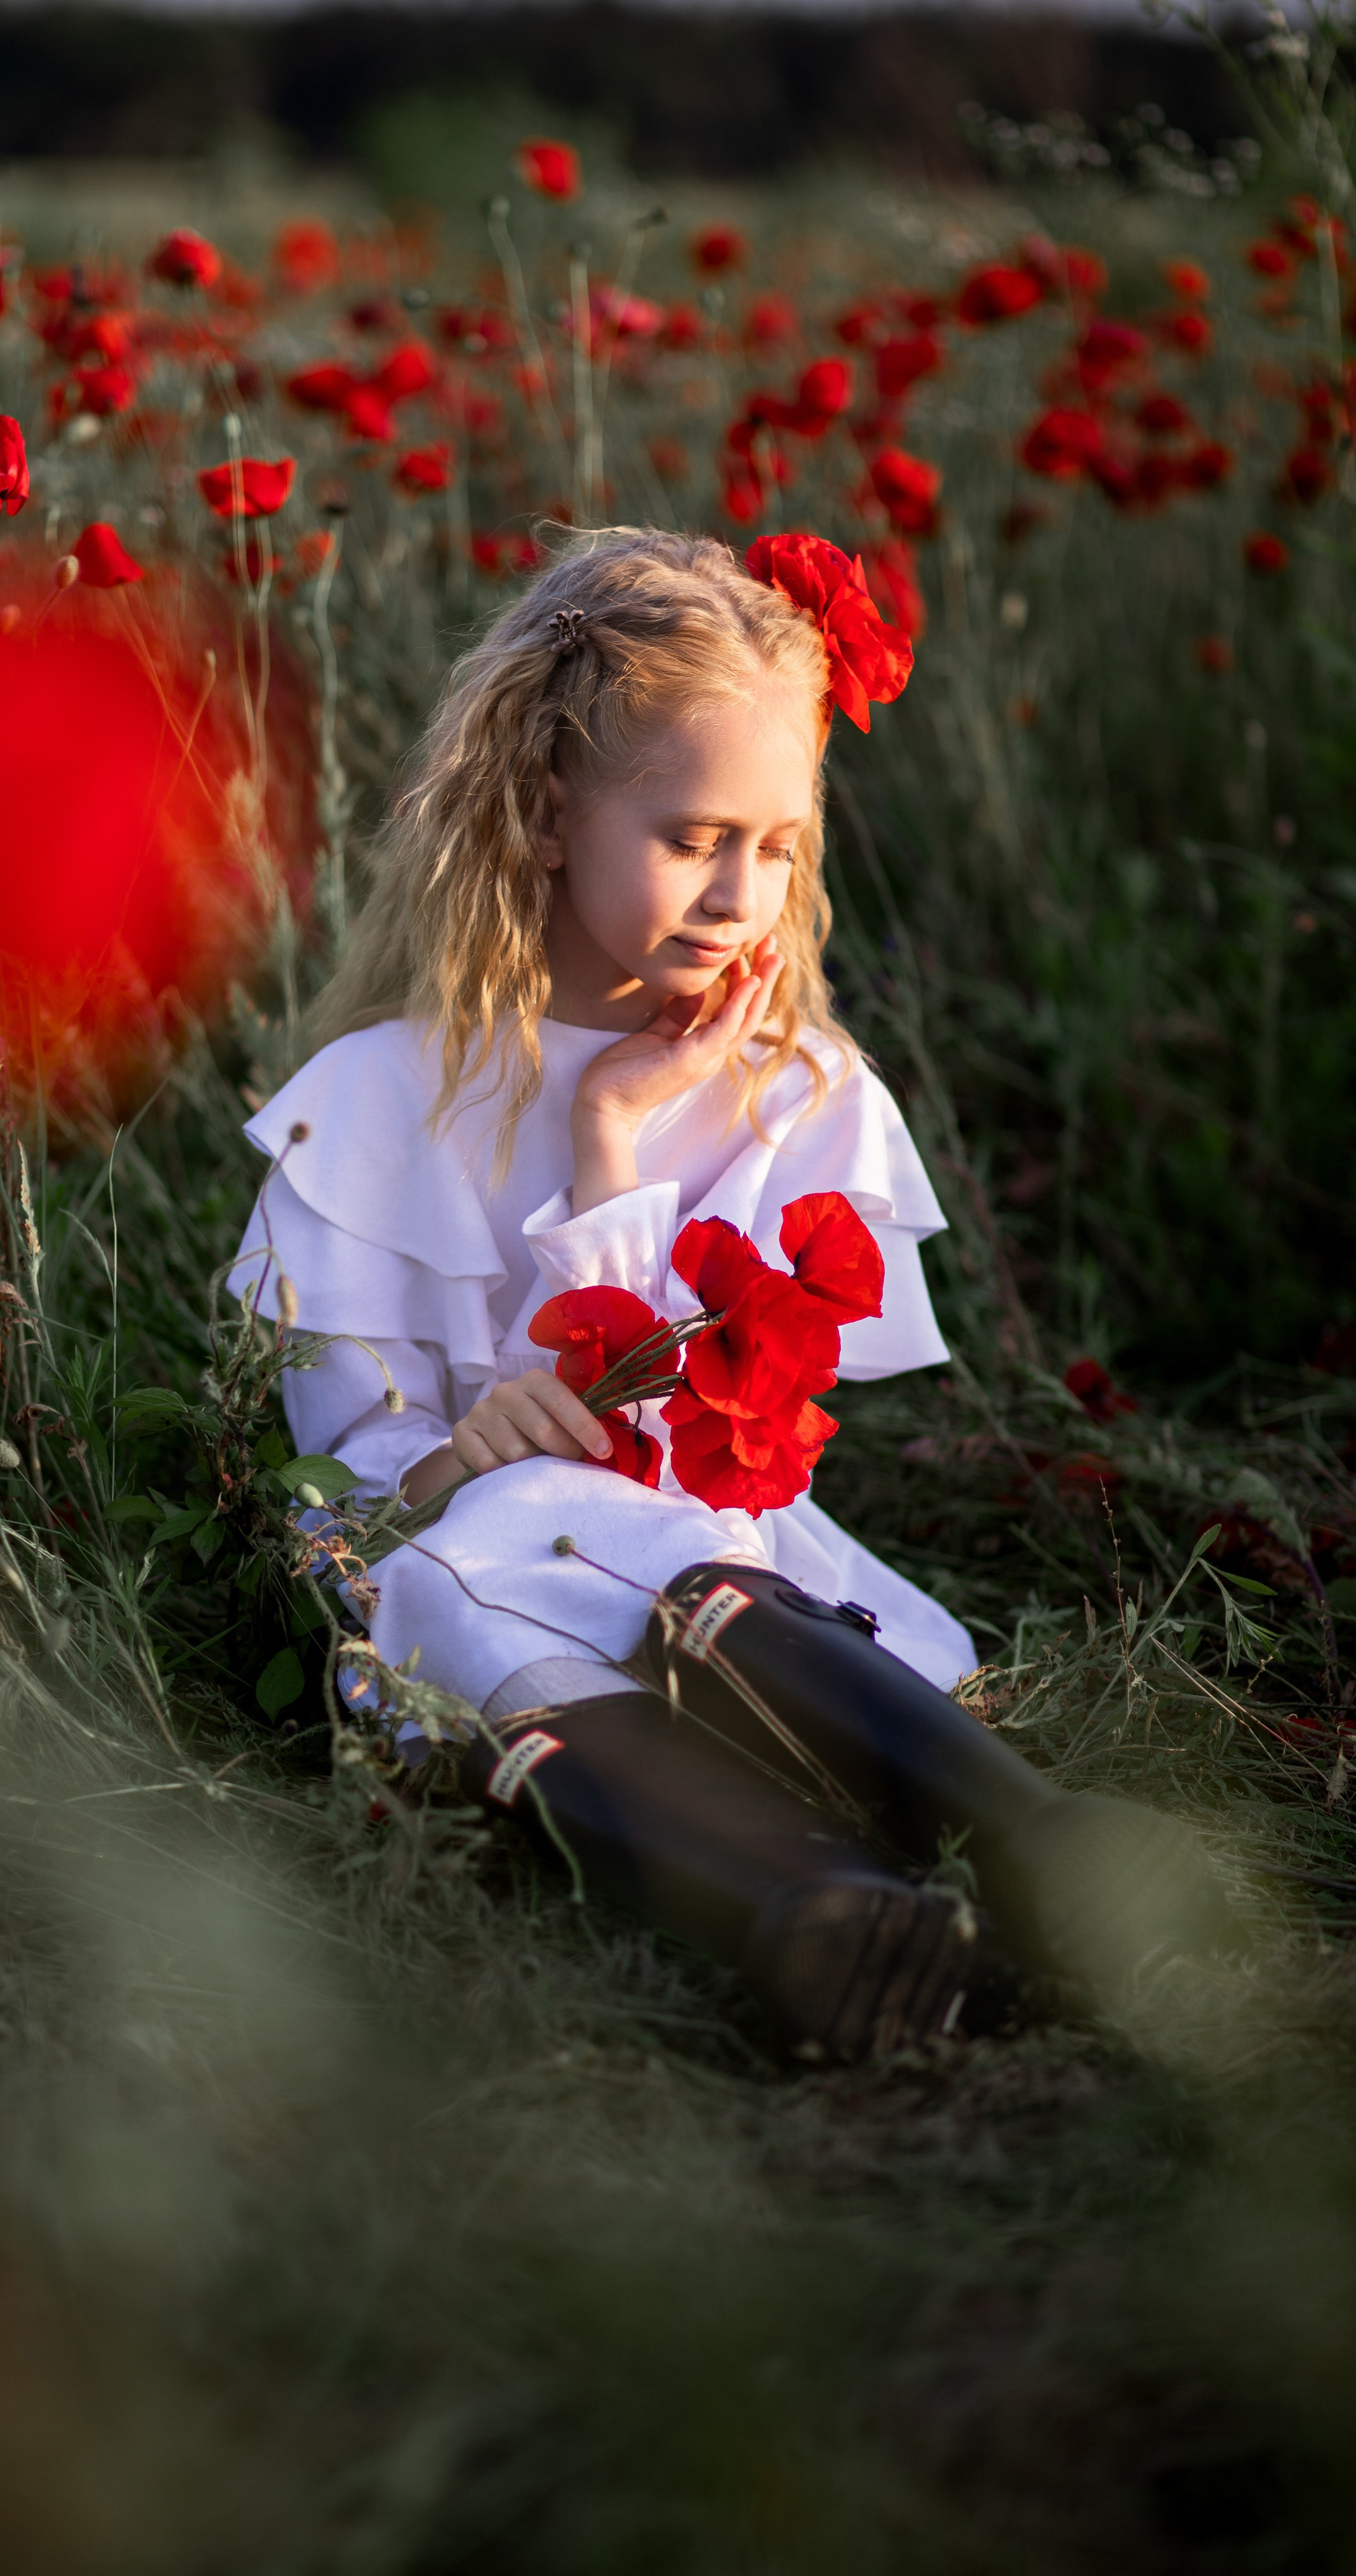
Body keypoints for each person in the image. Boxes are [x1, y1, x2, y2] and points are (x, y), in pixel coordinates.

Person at [233, 528, 1223, 2060]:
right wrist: (461, 1454)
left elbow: (701, 1463)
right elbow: (345, 1508)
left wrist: (618, 1140)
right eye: (694, 837)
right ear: (544, 812)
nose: (740, 896)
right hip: (468, 1603)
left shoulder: (794, 1097)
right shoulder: (372, 1105)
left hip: (727, 1591)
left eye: (776, 844)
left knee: (562, 1533)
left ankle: (1032, 1841)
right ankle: (811, 1907)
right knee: (450, 1577)